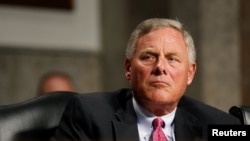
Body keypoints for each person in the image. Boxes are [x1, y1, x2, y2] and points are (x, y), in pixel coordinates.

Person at [51, 18, 240, 141]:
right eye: (148, 57)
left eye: (172, 59)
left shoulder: (222, 126)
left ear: (190, 73)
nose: (160, 67)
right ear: (128, 69)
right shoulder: (88, 115)